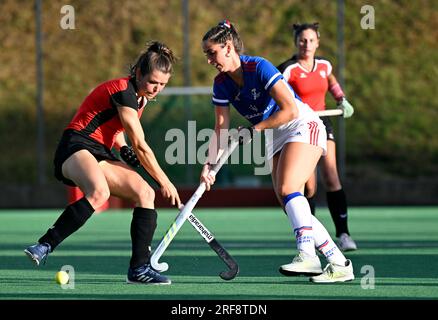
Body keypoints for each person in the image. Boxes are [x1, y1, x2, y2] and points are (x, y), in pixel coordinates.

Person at [200, 20, 354, 283]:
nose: (209, 60)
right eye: (206, 55)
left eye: (212, 53)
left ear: (228, 47)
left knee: (288, 189)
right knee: (290, 205)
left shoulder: (258, 67)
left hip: (302, 123)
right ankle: (339, 263)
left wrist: (255, 128)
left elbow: (290, 110)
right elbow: (221, 129)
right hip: (275, 135)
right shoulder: (221, 84)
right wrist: (208, 165)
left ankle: (308, 255)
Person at [24, 41, 181, 285]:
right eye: (153, 82)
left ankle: (139, 269)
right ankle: (44, 244)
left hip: (100, 151)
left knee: (145, 193)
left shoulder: (139, 99)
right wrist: (165, 180)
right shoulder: (122, 90)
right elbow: (141, 144)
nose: (156, 89)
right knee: (99, 193)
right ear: (139, 73)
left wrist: (122, 147)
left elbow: (113, 127)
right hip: (75, 145)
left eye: (162, 84)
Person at [277, 22, 357, 251]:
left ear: (318, 42)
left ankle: (343, 233)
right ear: (296, 42)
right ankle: (308, 236)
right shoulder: (288, 69)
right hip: (301, 124)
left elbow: (331, 81)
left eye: (311, 40)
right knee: (308, 186)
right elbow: (278, 93)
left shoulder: (324, 65)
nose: (307, 45)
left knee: (331, 176)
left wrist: (341, 99)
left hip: (323, 121)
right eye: (302, 40)